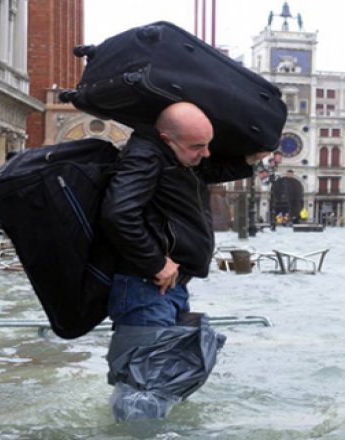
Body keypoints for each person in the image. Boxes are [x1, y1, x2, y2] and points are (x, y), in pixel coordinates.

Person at [100, 102, 269, 418]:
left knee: (156, 385)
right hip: (147, 286)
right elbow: (118, 213)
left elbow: (209, 170)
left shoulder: (172, 158)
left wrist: (247, 160)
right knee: (144, 390)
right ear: (166, 138)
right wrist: (155, 263)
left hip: (166, 289)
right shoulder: (144, 158)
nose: (205, 153)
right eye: (197, 146)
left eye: (207, 144)